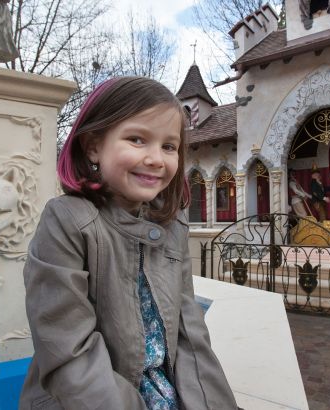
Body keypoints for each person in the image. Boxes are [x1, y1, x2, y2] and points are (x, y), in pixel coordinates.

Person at [19, 77, 238, 409]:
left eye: (169, 146)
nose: (156, 158)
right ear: (93, 146)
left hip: (164, 390)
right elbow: (70, 353)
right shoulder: (67, 221)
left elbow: (190, 333)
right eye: (137, 139)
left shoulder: (173, 224)